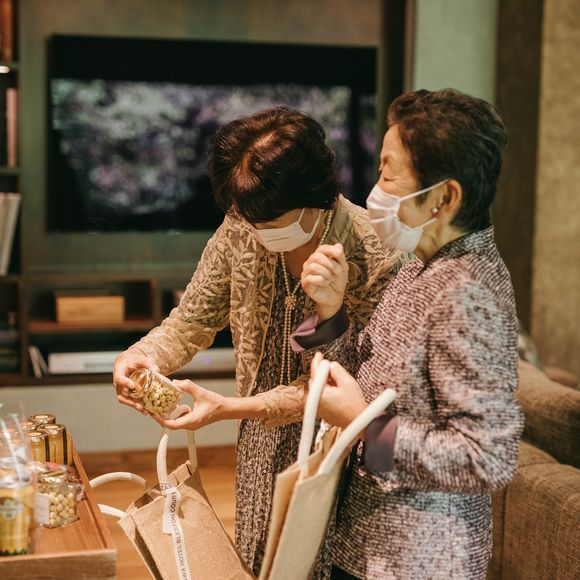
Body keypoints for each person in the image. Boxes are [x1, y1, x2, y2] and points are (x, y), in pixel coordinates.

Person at [112, 107, 400, 576]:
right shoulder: (243, 225)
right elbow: (192, 319)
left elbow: (347, 389)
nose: (256, 230)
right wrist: (142, 355)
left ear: (315, 195)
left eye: (271, 220)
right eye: (248, 217)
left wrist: (231, 408)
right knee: (258, 561)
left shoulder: (375, 253)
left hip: (339, 456)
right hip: (259, 445)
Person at [292, 89, 524, 579]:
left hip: (416, 558)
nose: (376, 189)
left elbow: (487, 456)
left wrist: (363, 425)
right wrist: (330, 309)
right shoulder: (421, 265)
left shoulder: (469, 291)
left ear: (445, 198)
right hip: (364, 540)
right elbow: (368, 377)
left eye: (389, 173)